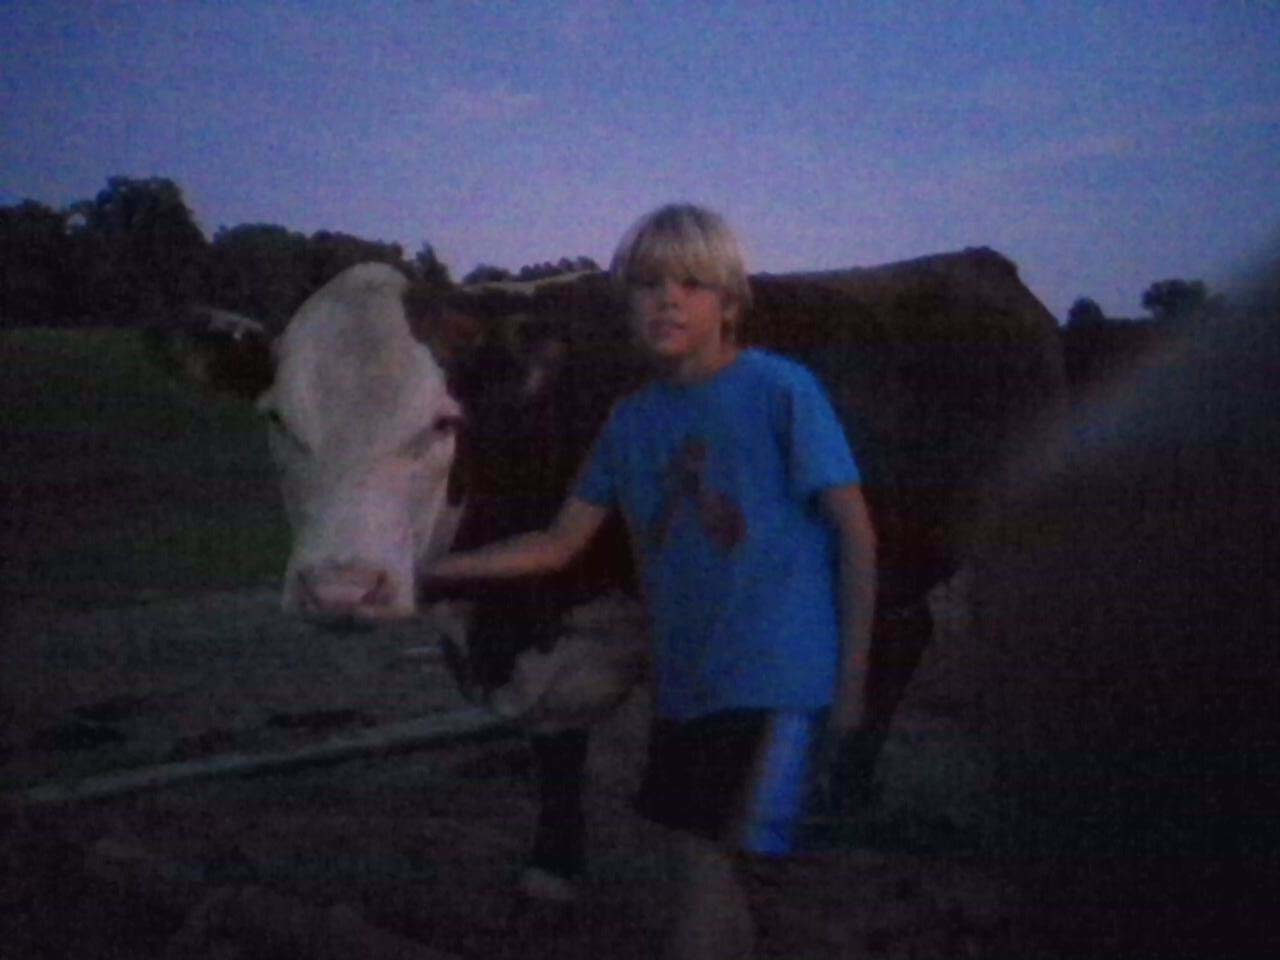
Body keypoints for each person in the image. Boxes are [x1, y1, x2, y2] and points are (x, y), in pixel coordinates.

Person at [424, 203, 876, 960]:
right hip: (689, 686)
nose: (668, 300)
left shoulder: (781, 391)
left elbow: (855, 533)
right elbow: (559, 543)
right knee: (699, 869)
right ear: (625, 306)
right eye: (648, 285)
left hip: (775, 679)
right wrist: (431, 569)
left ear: (730, 303)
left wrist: (852, 683)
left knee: (698, 877)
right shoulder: (631, 422)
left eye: (692, 284)